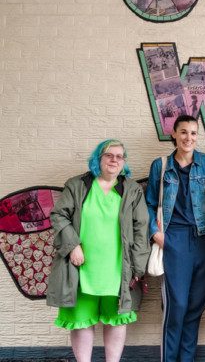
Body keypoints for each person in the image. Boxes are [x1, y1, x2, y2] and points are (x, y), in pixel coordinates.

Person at [47, 140, 150, 362]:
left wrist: (138, 267)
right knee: (81, 321)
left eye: (119, 156)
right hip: (81, 267)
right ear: (98, 158)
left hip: (118, 269)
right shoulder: (77, 185)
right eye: (108, 155)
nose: (114, 160)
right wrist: (73, 246)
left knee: (116, 320)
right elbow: (58, 215)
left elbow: (141, 229)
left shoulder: (132, 190)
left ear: (124, 162)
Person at [146, 114, 205, 362]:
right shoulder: (161, 166)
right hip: (174, 239)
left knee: (195, 306)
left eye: (193, 133)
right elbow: (150, 203)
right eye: (184, 132)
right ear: (174, 134)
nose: (189, 137)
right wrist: (156, 234)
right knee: (176, 306)